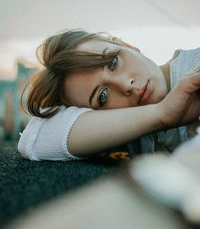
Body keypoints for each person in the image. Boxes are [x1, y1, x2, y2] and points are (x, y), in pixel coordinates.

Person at [18, 29, 200, 161]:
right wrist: (161, 114)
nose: (125, 84)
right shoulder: (126, 132)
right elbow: (33, 140)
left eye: (113, 62)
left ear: (126, 45)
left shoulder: (195, 69)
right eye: (103, 96)